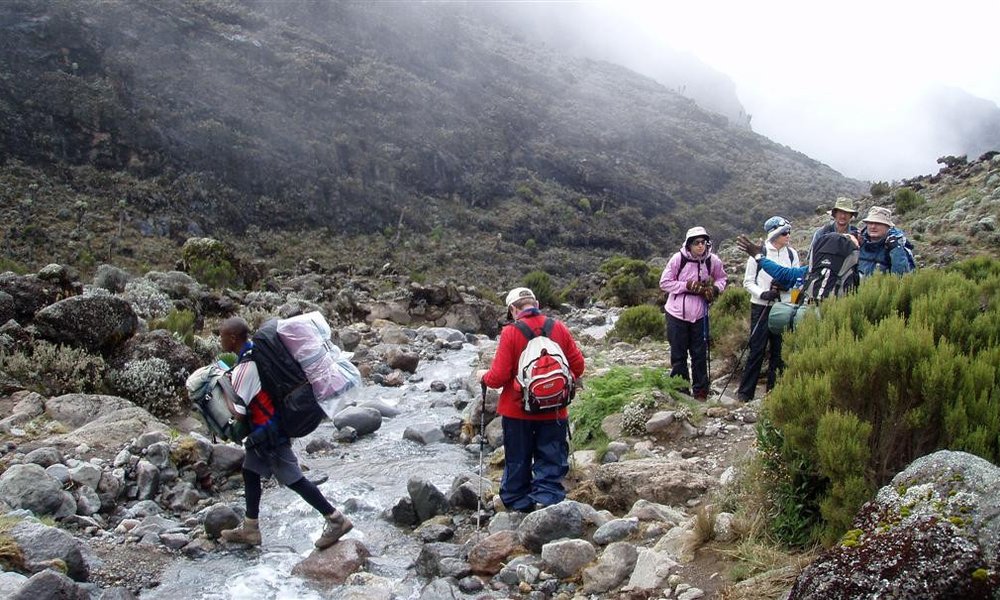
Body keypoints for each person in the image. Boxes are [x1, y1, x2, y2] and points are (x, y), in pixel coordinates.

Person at [217, 316, 352, 549]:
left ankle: (335, 519)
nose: (219, 341)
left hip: (269, 433)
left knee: (293, 479)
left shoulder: (244, 368)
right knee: (250, 471)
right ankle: (250, 528)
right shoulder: (253, 353)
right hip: (271, 426)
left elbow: (239, 413)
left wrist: (224, 391)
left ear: (232, 338)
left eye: (221, 336)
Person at [481, 287, 585, 513]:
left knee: (518, 457)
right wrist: (556, 385)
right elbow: (578, 367)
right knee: (551, 454)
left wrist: (483, 377)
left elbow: (498, 378)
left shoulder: (510, 333)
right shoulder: (558, 327)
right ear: (536, 303)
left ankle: (519, 502)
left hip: (517, 411)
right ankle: (547, 498)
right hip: (555, 408)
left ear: (512, 309)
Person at [659, 227, 728, 400]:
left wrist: (715, 289)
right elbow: (665, 283)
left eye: (703, 242)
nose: (700, 246)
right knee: (678, 354)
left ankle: (701, 392)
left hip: (700, 313)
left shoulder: (712, 260)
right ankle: (681, 390)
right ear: (688, 244)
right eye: (696, 242)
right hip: (676, 313)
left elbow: (722, 278)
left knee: (699, 353)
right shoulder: (678, 259)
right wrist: (686, 286)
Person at [736, 217, 800, 402]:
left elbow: (797, 280)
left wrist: (787, 287)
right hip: (761, 307)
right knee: (757, 349)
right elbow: (748, 282)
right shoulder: (759, 253)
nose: (788, 236)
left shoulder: (792, 254)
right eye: (784, 232)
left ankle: (774, 394)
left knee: (779, 352)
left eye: (789, 232)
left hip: (784, 307)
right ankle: (745, 394)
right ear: (774, 234)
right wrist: (762, 293)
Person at [858, 206, 916, 276]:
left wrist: (896, 251)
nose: (873, 226)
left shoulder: (897, 247)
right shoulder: (858, 242)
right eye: (870, 223)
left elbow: (902, 277)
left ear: (888, 226)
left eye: (878, 223)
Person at [809, 197, 859, 262]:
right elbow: (811, 258)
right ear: (835, 214)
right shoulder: (822, 233)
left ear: (851, 215)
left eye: (846, 213)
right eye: (840, 212)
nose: (843, 216)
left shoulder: (857, 235)